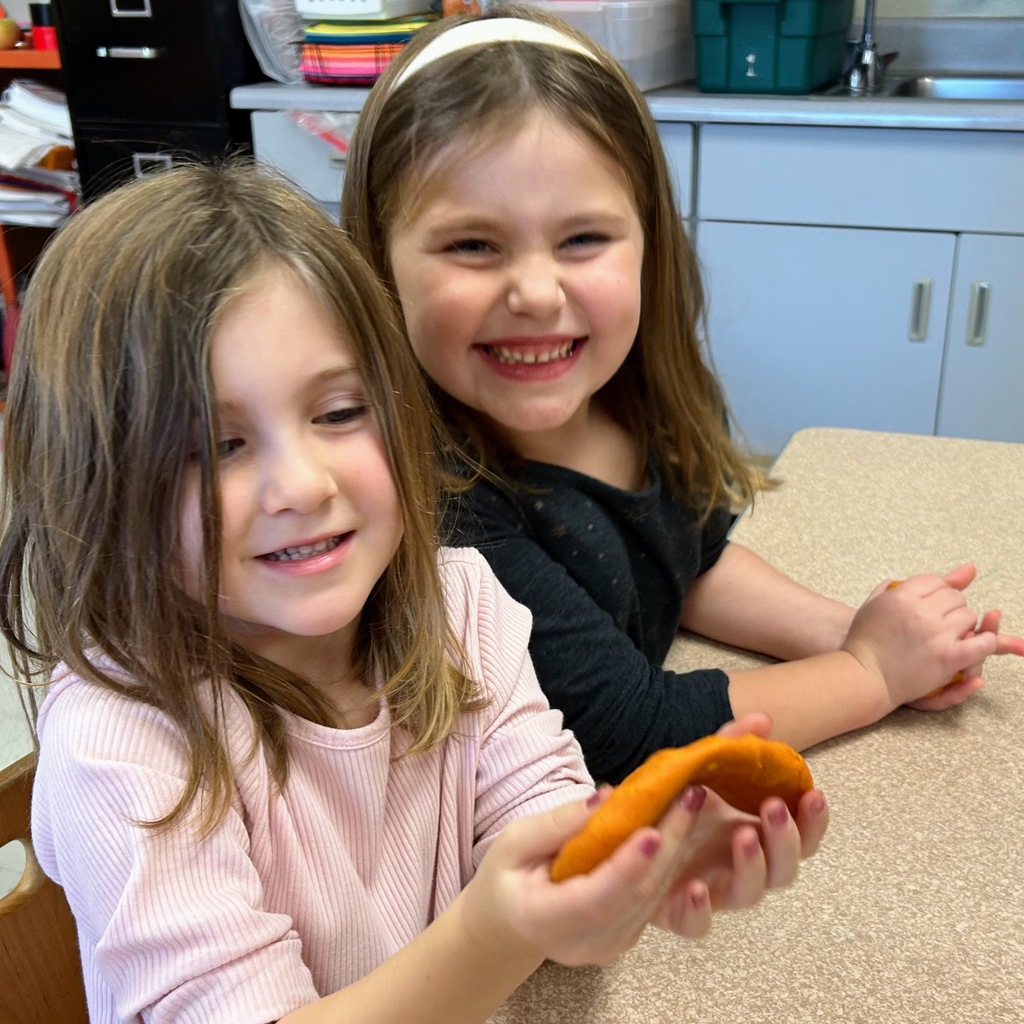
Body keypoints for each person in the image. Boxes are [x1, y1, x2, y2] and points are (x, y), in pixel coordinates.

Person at [0, 162, 828, 1024]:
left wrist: (637, 869)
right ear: (94, 486)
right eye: (213, 446)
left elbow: (548, 872)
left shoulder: (464, 605)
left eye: (340, 412)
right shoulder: (124, 741)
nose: (303, 484)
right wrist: (491, 936)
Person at [340, 5, 1024, 785]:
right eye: (472, 245)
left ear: (649, 244)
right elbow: (634, 735)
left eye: (582, 239)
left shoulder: (635, 402)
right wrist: (871, 671)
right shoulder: (443, 510)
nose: (535, 292)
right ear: (377, 265)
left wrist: (851, 632)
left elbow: (688, 562)